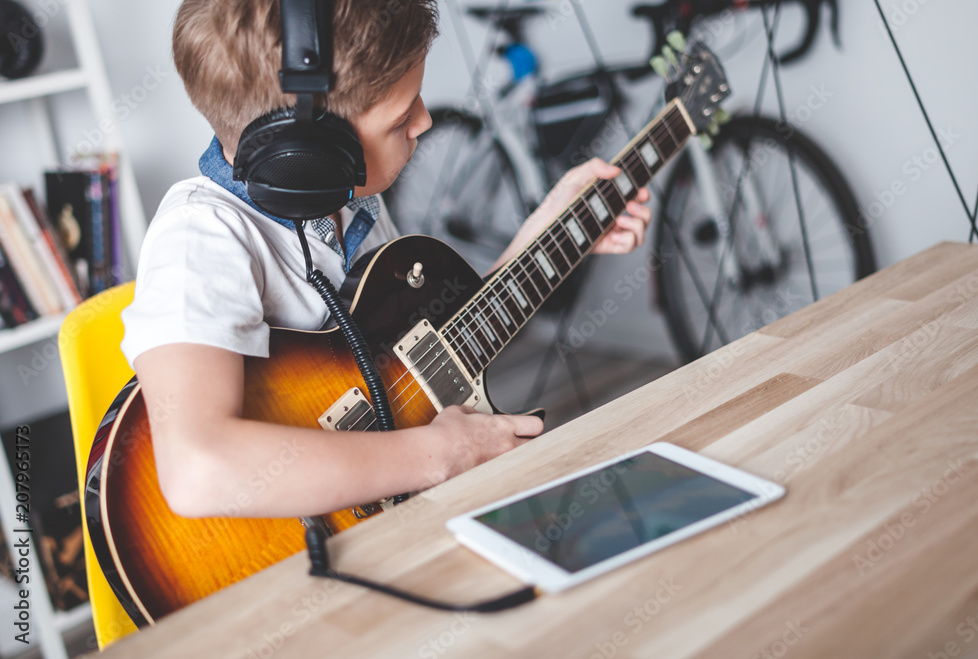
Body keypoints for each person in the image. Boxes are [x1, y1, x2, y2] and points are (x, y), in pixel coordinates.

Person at [121, 0, 653, 519]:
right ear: (311, 151)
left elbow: (423, 353)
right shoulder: (203, 235)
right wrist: (440, 455)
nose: (423, 122)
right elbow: (198, 471)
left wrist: (547, 230)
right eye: (402, 117)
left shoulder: (349, 203)